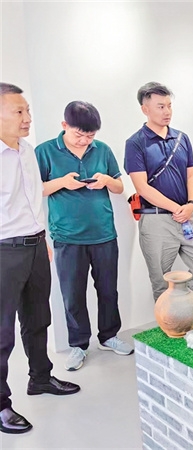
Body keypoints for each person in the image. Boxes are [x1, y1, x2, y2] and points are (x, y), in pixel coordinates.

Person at [0, 83, 80, 435]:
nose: (27, 118)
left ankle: (41, 378)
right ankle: (1, 404)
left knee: (38, 319)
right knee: (2, 333)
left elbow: (32, 198)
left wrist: (41, 236)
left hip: (34, 246)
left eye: (28, 110)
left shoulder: (27, 151)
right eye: (18, 111)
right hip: (3, 250)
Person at [35, 101, 132, 371]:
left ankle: (109, 336)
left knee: (108, 290)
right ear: (64, 126)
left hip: (103, 233)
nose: (85, 141)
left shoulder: (102, 150)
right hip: (67, 236)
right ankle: (78, 345)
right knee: (72, 295)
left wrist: (106, 181)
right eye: (79, 135)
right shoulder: (45, 151)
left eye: (90, 136)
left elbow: (119, 186)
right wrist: (62, 182)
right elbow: (35, 189)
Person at [124, 82, 193, 300]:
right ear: (145, 109)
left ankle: (188, 310)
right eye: (161, 107)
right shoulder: (135, 143)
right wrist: (176, 208)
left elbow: (191, 175)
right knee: (161, 280)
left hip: (188, 216)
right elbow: (142, 187)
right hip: (157, 221)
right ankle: (170, 317)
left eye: (169, 106)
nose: (167, 112)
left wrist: (191, 204)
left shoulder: (182, 138)